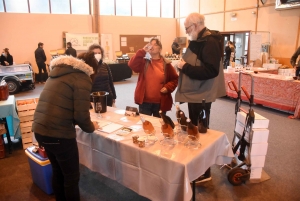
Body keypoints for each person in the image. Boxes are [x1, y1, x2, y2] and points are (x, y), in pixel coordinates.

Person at [32, 51, 99, 201]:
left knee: (57, 171)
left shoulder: (57, 73)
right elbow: (81, 116)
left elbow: (62, 105)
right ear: (91, 68)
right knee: (71, 178)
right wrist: (92, 127)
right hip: (59, 134)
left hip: (40, 130)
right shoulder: (82, 78)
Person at [175, 12, 226, 183]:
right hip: (196, 93)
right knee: (195, 129)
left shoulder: (209, 42)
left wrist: (184, 66)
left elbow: (211, 71)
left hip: (202, 95)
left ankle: (205, 171)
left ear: (196, 25)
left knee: (201, 132)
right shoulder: (201, 40)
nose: (187, 32)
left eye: (187, 28)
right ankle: (198, 166)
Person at [128, 38, 178, 117]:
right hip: (144, 102)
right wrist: (143, 51)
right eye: (150, 44)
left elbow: (175, 79)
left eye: (155, 44)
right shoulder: (144, 62)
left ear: (160, 49)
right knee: (145, 124)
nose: (152, 46)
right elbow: (131, 64)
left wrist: (168, 87)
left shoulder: (166, 64)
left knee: (159, 125)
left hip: (160, 102)